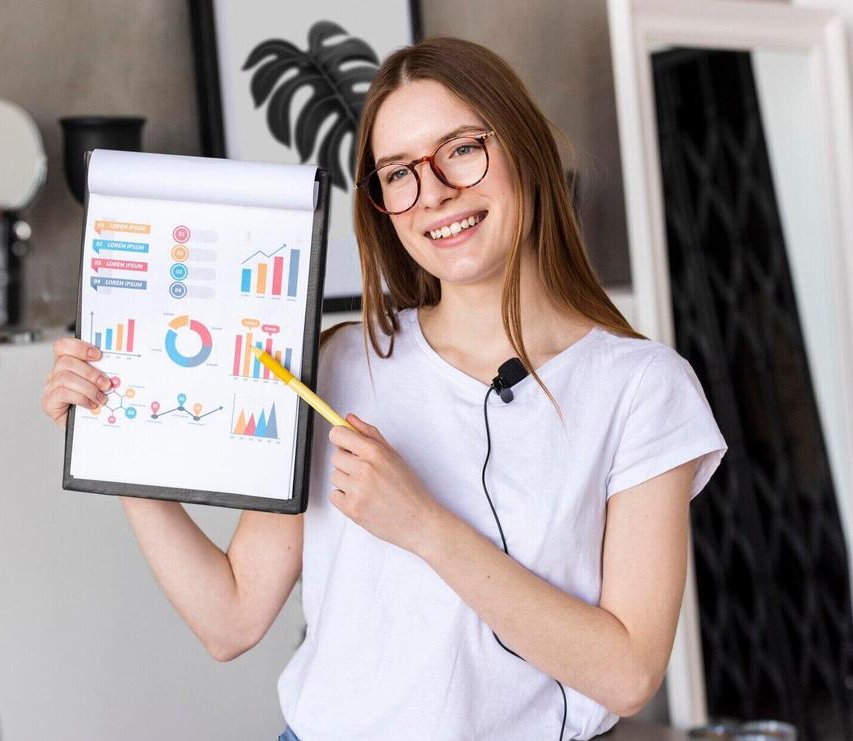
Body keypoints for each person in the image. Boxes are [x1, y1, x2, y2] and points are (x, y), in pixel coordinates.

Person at [42, 37, 727, 741]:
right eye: (398, 173)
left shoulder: (643, 389)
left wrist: (424, 525)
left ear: (524, 148)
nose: (433, 192)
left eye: (461, 148)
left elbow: (628, 672)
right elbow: (231, 617)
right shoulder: (340, 364)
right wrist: (112, 435)